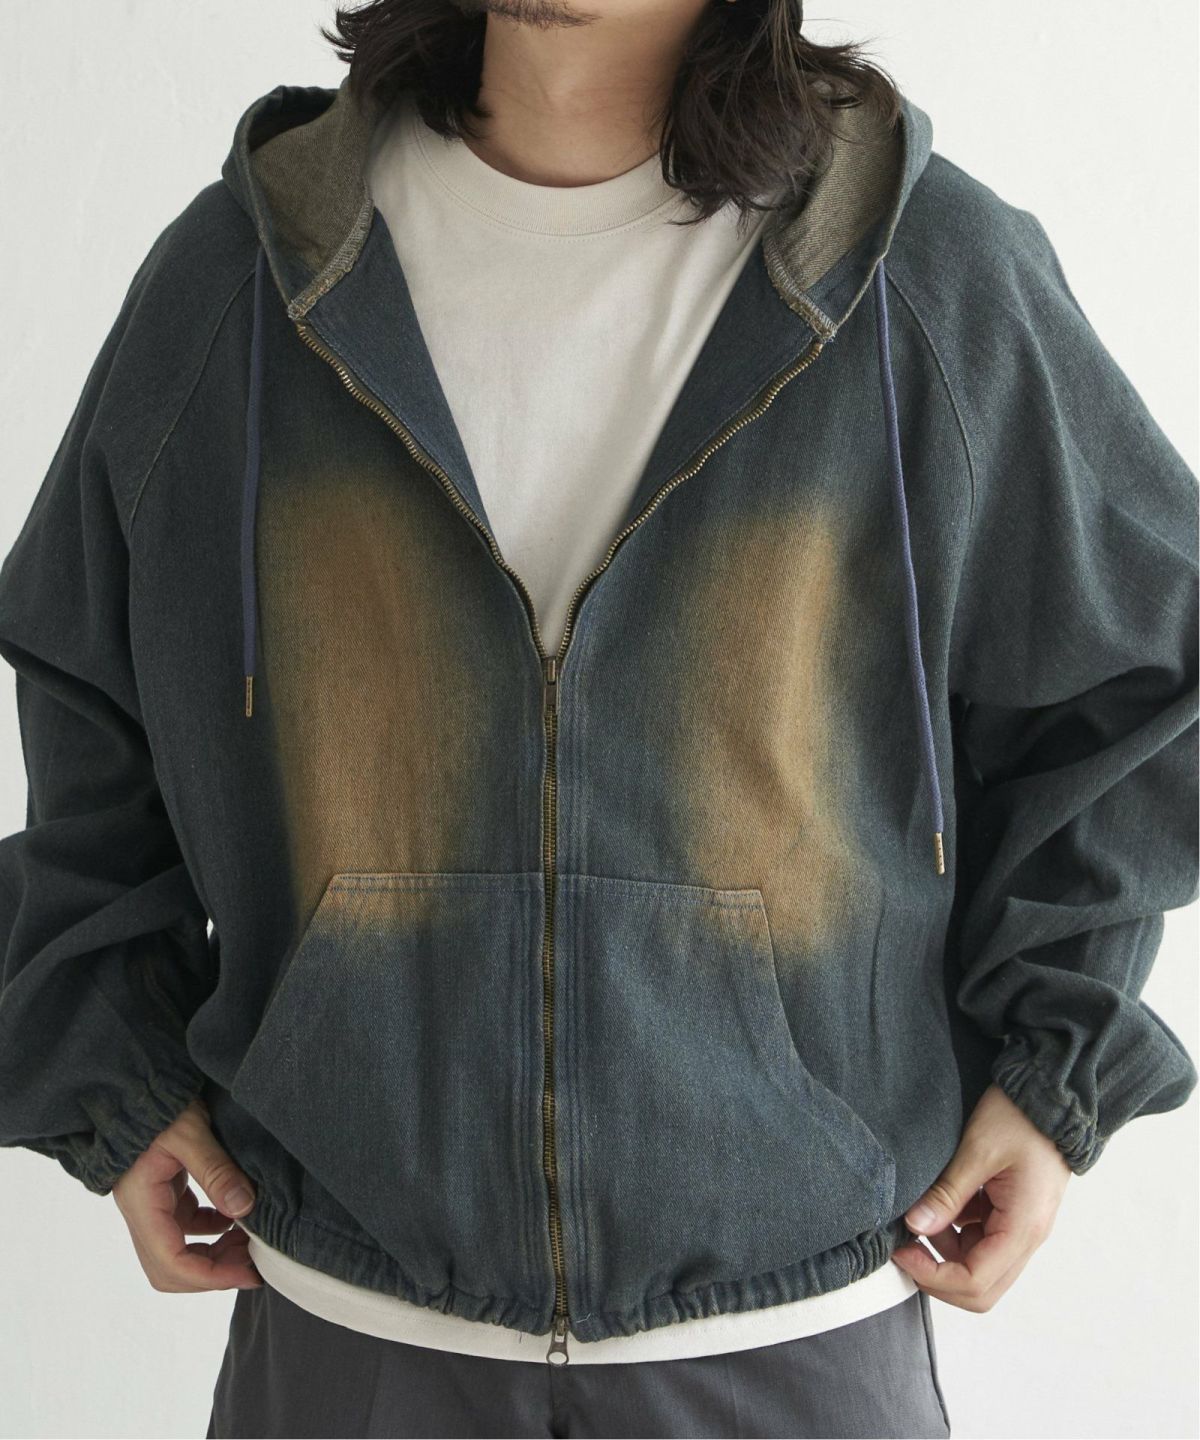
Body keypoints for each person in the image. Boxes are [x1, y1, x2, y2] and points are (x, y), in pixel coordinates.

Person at [0, 0, 1196, 1435]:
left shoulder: (923, 276)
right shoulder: (246, 280)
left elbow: (1139, 679)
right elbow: (85, 685)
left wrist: (1058, 1072)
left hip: (796, 1331)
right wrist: (115, 1071)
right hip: (350, 1331)